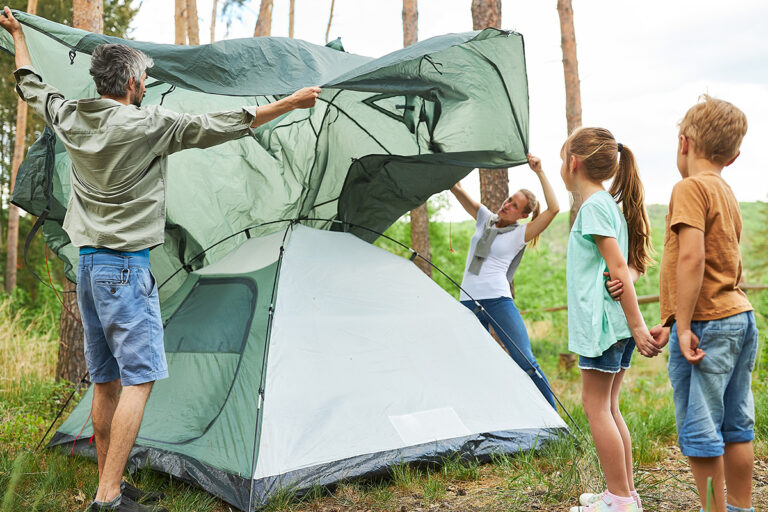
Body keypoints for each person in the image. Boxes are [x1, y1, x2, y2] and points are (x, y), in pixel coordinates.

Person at [1, 7, 321, 512]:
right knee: (139, 379)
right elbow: (224, 124)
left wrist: (20, 35)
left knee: (105, 382)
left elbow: (29, 83)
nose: (146, 84)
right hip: (125, 270)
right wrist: (291, 103)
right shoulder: (150, 125)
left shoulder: (70, 117)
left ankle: (111, 483)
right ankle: (107, 499)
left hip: (88, 269)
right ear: (129, 80)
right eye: (145, 77)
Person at [651, 96, 755, 512]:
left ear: (683, 143)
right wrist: (674, 317)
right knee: (736, 427)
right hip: (738, 317)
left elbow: (693, 258)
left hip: (708, 324)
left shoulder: (689, 188)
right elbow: (719, 263)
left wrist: (684, 326)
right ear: (734, 156)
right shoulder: (725, 191)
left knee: (701, 430)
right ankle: (741, 509)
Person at [560, 127, 662, 512]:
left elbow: (619, 268)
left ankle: (619, 499)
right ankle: (624, 493)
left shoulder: (595, 207)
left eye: (561, 160)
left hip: (604, 326)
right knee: (610, 406)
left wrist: (637, 327)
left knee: (596, 406)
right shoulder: (606, 205)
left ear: (574, 163)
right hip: (612, 324)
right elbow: (622, 268)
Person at [451, 154, 559, 409]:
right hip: (467, 301)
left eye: (514, 205)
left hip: (498, 300)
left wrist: (540, 171)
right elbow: (455, 187)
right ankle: (489, 414)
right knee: (472, 363)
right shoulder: (484, 218)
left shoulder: (521, 232)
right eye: (509, 199)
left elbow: (554, 209)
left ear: (521, 215)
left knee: (525, 360)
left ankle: (553, 419)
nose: (506, 204)